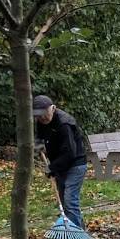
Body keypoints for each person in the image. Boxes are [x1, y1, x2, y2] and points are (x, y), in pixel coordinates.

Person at [33, 95, 88, 229]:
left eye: (44, 113)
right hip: (60, 164)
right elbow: (40, 136)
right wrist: (38, 144)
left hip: (76, 163)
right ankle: (78, 230)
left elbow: (70, 152)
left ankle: (76, 234)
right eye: (38, 115)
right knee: (64, 201)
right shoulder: (41, 121)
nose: (42, 118)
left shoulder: (64, 124)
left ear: (53, 108)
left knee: (70, 200)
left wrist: (52, 167)